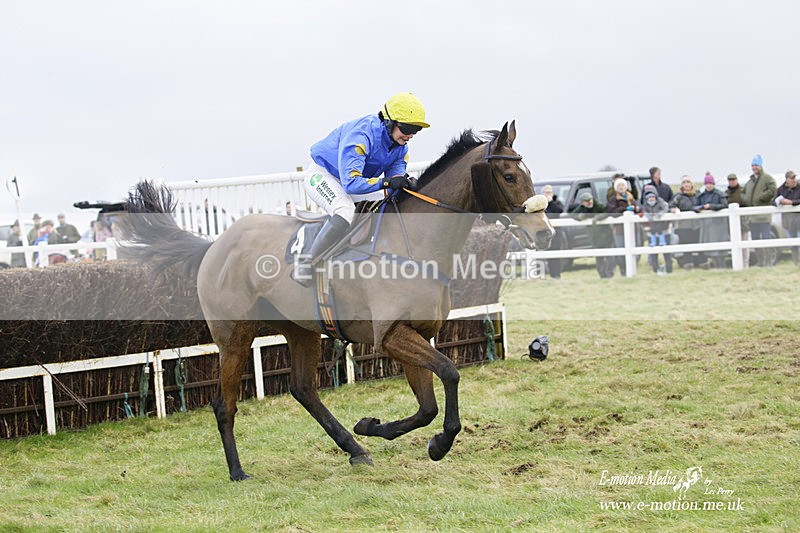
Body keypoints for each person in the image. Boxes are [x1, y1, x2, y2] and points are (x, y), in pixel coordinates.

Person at [293, 92, 430, 286]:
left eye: (416, 130)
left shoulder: (401, 147)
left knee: (391, 201)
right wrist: (386, 183)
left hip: (356, 180)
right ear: (389, 122)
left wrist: (404, 184)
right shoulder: (362, 135)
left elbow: (394, 181)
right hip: (324, 175)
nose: (410, 135)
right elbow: (351, 184)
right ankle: (306, 264)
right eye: (407, 128)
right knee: (345, 210)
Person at [742, 154, 777, 267]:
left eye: (756, 165)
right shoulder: (750, 181)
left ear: (761, 166)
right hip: (752, 217)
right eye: (753, 165)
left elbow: (772, 190)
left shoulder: (767, 178)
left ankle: (768, 262)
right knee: (756, 240)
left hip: (763, 216)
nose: (754, 168)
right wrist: (746, 199)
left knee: (766, 239)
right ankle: (761, 262)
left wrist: (760, 197)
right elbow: (743, 193)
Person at [571, 191, 615, 278]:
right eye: (587, 201)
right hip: (594, 236)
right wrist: (580, 217)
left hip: (605, 235)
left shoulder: (599, 205)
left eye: (590, 200)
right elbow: (573, 214)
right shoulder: (582, 207)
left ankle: (610, 273)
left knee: (609, 256)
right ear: (583, 202)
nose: (589, 202)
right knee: (599, 257)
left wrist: (598, 217)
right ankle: (602, 274)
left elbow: (607, 212)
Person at [605, 177, 639, 276]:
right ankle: (623, 271)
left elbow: (638, 209)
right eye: (619, 185)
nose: (621, 187)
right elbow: (612, 212)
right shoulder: (613, 199)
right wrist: (624, 209)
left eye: (623, 185)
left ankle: (632, 270)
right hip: (619, 229)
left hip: (633, 228)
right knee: (621, 251)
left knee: (634, 250)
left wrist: (636, 209)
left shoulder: (631, 197)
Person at [695, 173, 729, 268]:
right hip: (707, 225)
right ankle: (716, 265)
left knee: (720, 247)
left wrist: (711, 206)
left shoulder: (719, 194)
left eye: (710, 183)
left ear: (713, 184)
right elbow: (695, 206)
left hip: (719, 225)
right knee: (711, 247)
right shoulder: (701, 196)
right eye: (707, 183)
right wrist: (699, 209)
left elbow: (724, 205)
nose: (709, 185)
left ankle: (722, 266)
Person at [669, 176, 703, 269]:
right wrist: (673, 209)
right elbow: (671, 205)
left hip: (697, 224)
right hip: (684, 225)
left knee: (699, 243)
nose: (686, 184)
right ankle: (688, 263)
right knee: (686, 243)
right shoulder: (678, 197)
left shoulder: (698, 195)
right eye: (684, 182)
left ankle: (702, 263)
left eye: (688, 182)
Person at [639, 184, 672, 274]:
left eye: (652, 196)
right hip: (652, 230)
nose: (651, 198)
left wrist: (660, 214)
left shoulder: (661, 201)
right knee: (653, 252)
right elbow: (643, 211)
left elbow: (666, 207)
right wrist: (648, 216)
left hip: (663, 229)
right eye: (648, 196)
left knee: (667, 252)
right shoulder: (645, 204)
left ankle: (669, 270)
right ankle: (655, 270)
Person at [774, 170, 800, 265]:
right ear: (787, 180)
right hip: (788, 221)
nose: (794, 180)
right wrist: (780, 202)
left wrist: (791, 202)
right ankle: (796, 262)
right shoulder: (781, 189)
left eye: (794, 178)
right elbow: (773, 201)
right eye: (791, 178)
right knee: (793, 244)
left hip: (798, 219)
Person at [726, 173, 750, 268]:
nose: (732, 181)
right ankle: (736, 264)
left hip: (743, 222)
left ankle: (745, 264)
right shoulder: (726, 193)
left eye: (733, 179)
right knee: (734, 244)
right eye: (730, 180)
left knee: (744, 244)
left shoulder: (742, 191)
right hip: (731, 224)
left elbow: (746, 202)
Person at [542, 184, 564, 279]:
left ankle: (557, 274)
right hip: (546, 234)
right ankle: (552, 274)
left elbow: (559, 210)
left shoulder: (557, 202)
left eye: (549, 192)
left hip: (557, 233)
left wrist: (551, 202)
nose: (548, 194)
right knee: (549, 254)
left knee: (556, 253)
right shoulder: (542, 205)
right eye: (546, 192)